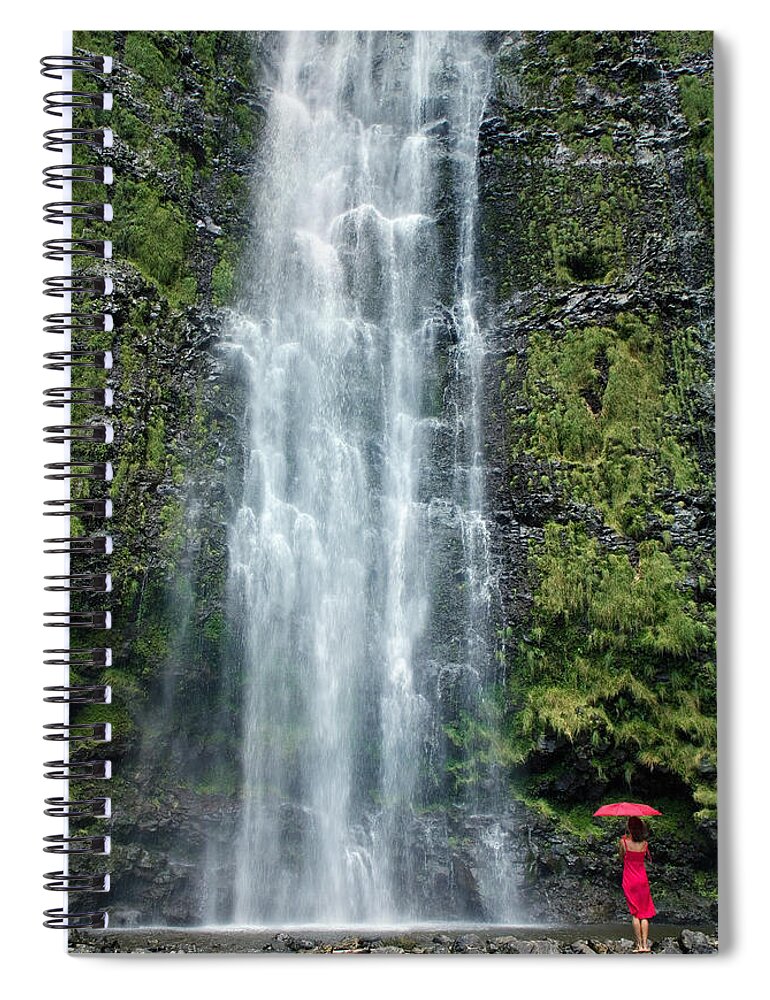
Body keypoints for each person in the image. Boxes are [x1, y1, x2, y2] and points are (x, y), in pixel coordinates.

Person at [619, 816, 656, 952]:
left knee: (635, 914)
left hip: (630, 880)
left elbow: (622, 857)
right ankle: (645, 946)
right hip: (642, 880)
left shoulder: (623, 841)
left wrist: (625, 839)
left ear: (629, 828)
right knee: (644, 914)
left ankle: (639, 945)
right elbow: (645, 857)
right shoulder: (645, 844)